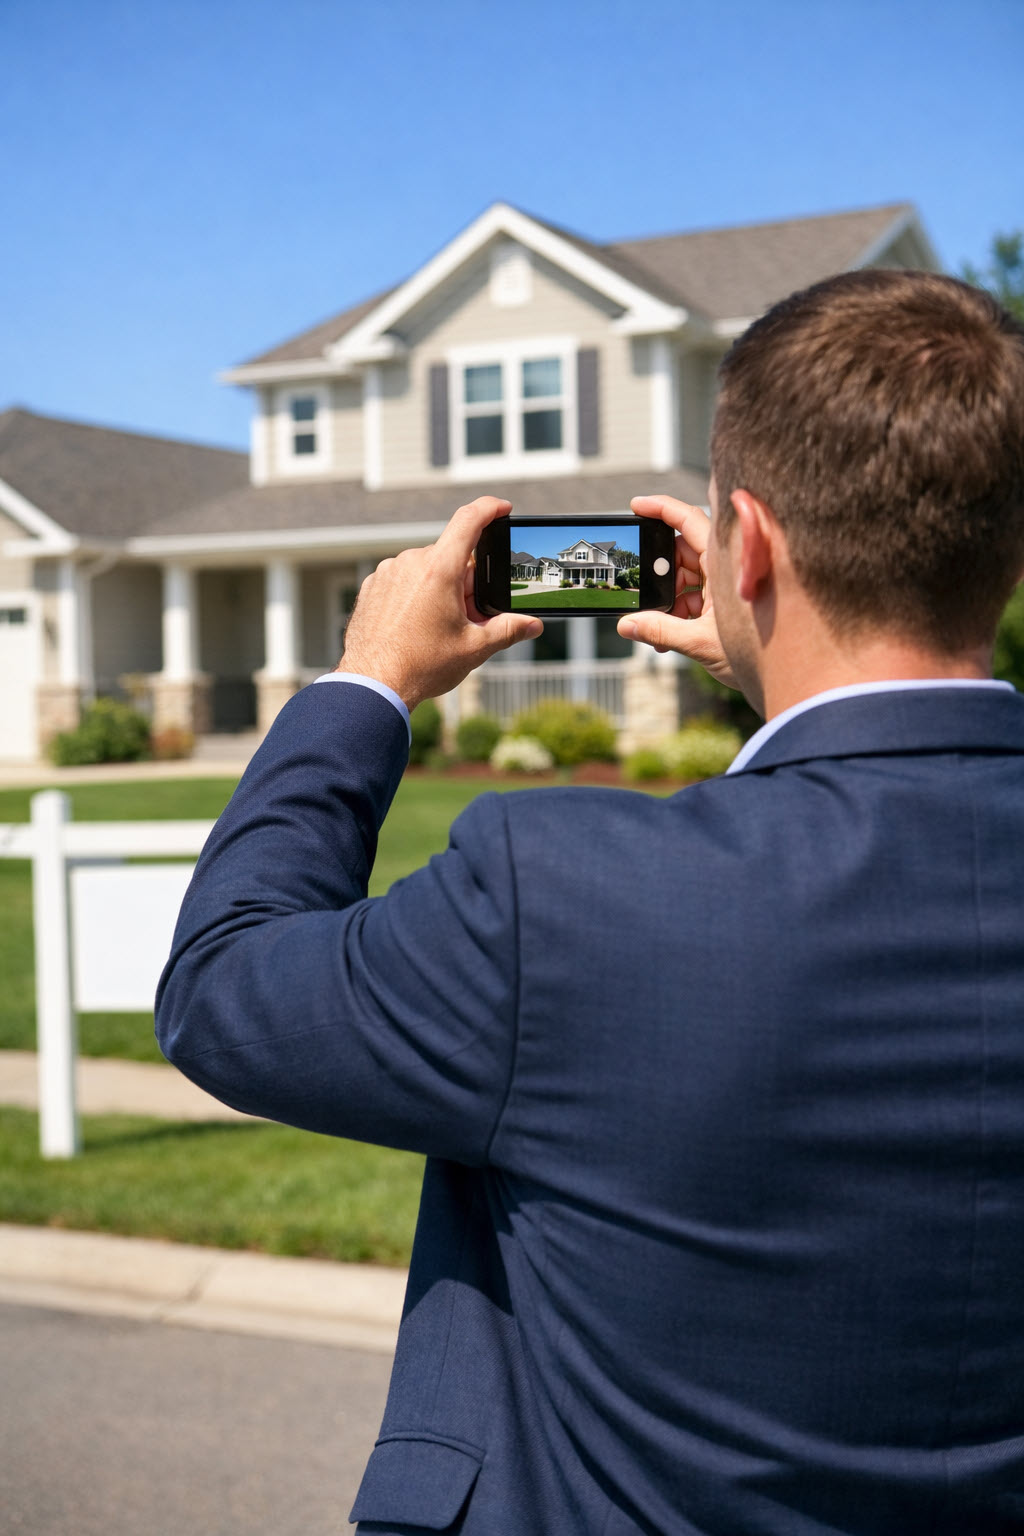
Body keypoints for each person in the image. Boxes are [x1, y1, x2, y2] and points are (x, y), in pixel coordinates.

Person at [156, 269, 1024, 1536]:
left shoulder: (559, 899)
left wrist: (362, 687)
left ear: (754, 543)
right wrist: (793, 685)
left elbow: (228, 993)